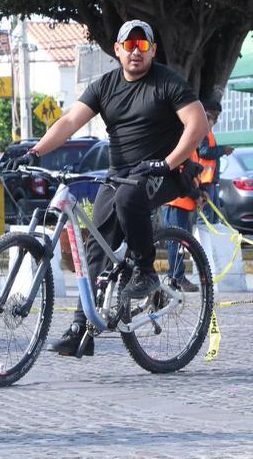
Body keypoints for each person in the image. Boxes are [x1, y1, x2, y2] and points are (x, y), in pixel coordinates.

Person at [13, 19, 208, 357]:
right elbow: (71, 121)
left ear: (152, 50)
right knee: (95, 247)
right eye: (128, 45)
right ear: (117, 50)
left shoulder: (167, 82)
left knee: (130, 195)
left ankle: (145, 270)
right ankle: (80, 328)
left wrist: (168, 161)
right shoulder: (105, 86)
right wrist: (35, 150)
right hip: (119, 173)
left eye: (142, 45)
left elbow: (198, 123)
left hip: (163, 171)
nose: (135, 51)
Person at [163, 97, 233, 289]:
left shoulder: (191, 143)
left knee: (181, 241)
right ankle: (175, 278)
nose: (212, 124)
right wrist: (196, 193)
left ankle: (177, 277)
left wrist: (200, 190)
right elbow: (181, 174)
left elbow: (191, 171)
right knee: (176, 243)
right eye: (211, 119)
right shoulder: (184, 141)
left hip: (185, 200)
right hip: (176, 201)